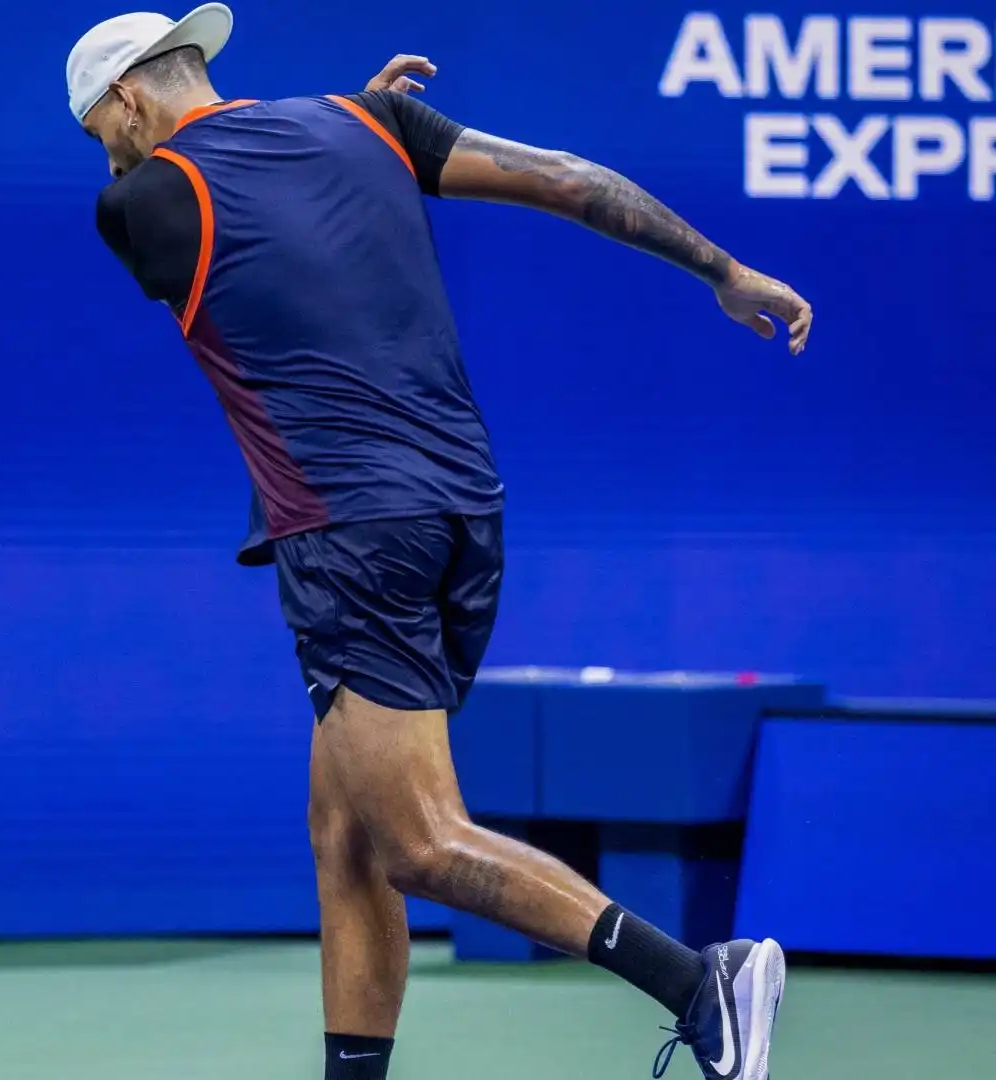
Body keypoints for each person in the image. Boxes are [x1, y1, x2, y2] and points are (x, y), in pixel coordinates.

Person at [66, 6, 813, 1080]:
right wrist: (721, 269)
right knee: (348, 835)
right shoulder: (368, 124)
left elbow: (244, 231)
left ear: (129, 98)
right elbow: (562, 178)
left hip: (350, 534)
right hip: (464, 517)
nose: (108, 153)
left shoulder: (137, 206)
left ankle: (702, 985)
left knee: (418, 837)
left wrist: (341, 139)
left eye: (103, 130)